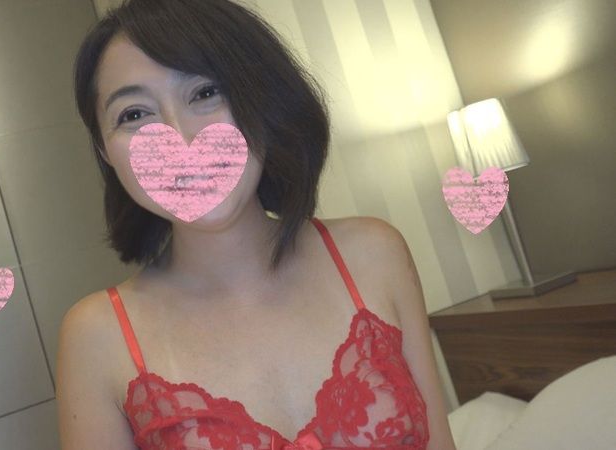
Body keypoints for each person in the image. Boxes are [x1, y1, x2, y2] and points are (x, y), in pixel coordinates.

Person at [56, 0, 456, 449]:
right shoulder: (96, 336)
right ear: (105, 150)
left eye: (205, 92)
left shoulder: (374, 254)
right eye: (134, 114)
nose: (180, 137)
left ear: (260, 98)